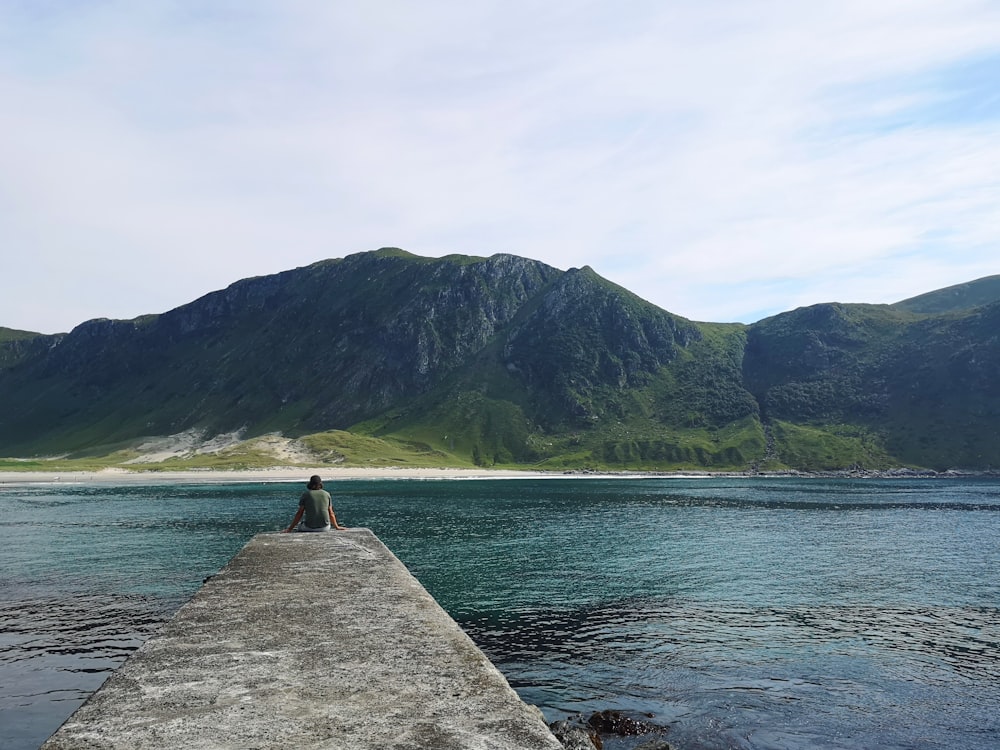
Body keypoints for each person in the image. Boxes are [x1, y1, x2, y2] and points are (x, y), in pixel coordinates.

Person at [282, 475, 347, 532]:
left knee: (299, 526)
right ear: (320, 484)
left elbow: (299, 513)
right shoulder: (327, 494)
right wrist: (337, 527)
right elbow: (331, 513)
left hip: (309, 528)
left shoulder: (306, 494)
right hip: (325, 528)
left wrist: (290, 529)